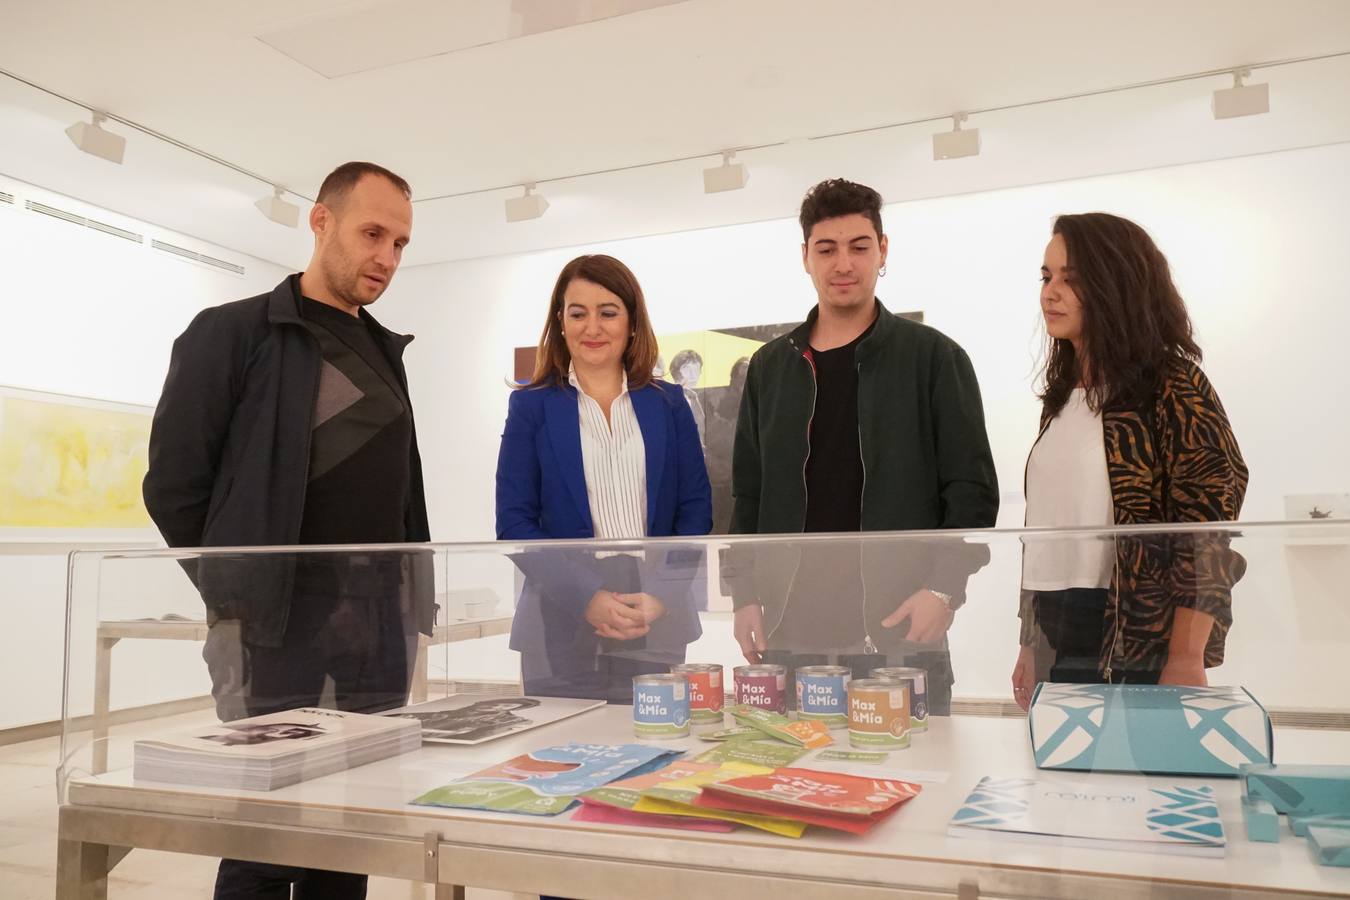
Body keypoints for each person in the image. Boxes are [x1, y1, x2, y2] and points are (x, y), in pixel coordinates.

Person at [143, 161, 431, 900]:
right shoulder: (234, 333)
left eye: (400, 243)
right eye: (373, 234)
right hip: (272, 628)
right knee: (266, 836)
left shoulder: (385, 350)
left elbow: (402, 498)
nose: (386, 259)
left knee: (350, 830)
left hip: (375, 629)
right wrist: (236, 589)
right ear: (320, 220)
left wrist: (413, 611)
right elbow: (174, 487)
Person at [729, 179, 999, 712]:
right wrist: (744, 596)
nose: (843, 264)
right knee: (794, 782)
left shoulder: (934, 359)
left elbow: (970, 489)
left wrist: (944, 590)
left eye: (859, 246)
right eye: (826, 249)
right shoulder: (769, 368)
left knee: (916, 778)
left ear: (883, 251)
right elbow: (748, 494)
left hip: (900, 623)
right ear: (805, 257)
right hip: (789, 629)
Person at [1011, 213, 1248, 708]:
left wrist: (1186, 654)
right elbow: (1045, 533)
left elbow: (1206, 531)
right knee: (1062, 779)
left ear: (1113, 285)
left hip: (1135, 630)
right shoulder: (1060, 399)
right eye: (1046, 276)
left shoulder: (1173, 386)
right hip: (1057, 624)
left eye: (1070, 279)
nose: (1050, 293)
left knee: (1133, 779)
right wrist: (1030, 643)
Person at [496, 254, 712, 702]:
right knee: (560, 760)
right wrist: (586, 597)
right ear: (561, 322)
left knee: (652, 754)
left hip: (654, 608)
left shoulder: (670, 404)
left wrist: (663, 593)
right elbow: (515, 521)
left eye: (608, 312)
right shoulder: (531, 406)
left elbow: (695, 510)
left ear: (632, 322)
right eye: (578, 313)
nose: (592, 327)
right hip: (559, 609)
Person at [668, 348, 707, 447]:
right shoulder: (668, 398)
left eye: (697, 370)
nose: (694, 375)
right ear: (676, 371)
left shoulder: (699, 397)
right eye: (688, 369)